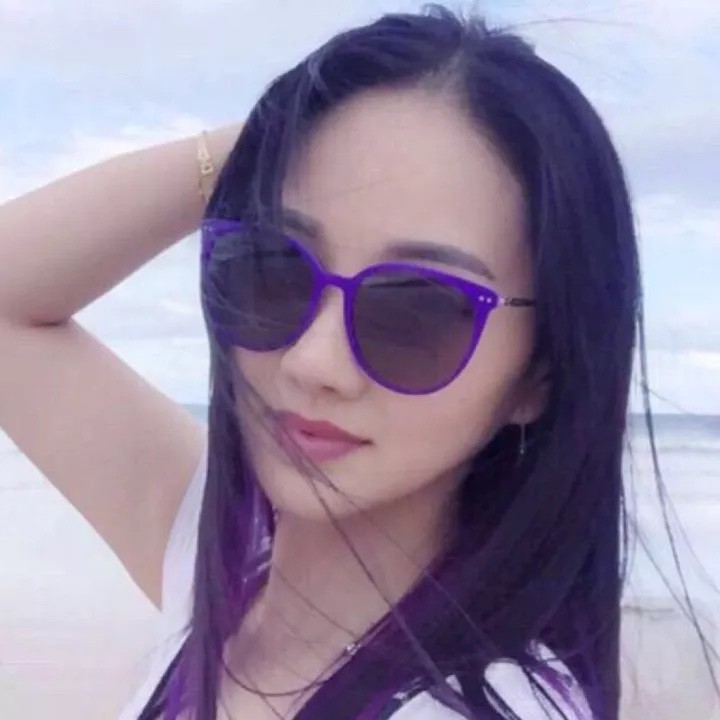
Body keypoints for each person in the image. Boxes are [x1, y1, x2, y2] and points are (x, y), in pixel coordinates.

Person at [1, 5, 715, 719]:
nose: (313, 361)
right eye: (273, 268)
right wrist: (267, 139)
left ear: (538, 375)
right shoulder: (223, 570)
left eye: (417, 312)